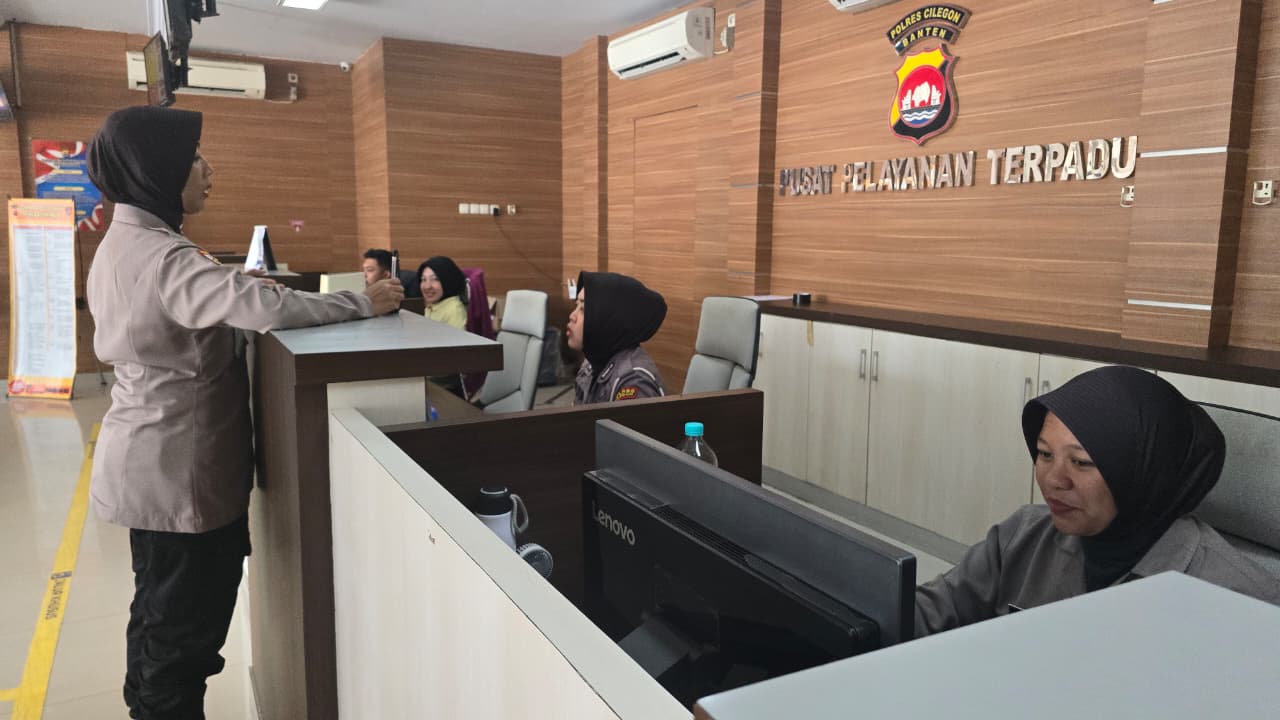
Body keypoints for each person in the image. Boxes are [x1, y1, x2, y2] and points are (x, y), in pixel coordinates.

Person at [85, 106, 403, 720]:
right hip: (179, 476)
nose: (208, 170)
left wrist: (236, 282)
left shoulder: (126, 244)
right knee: (180, 646)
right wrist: (362, 302)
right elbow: (268, 310)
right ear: (156, 169)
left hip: (149, 466)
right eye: (193, 158)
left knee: (157, 622)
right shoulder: (166, 258)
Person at [915, 365, 1280, 638]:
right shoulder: (1023, 534)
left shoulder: (1241, 601)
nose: (1054, 480)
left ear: (1145, 472)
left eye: (1081, 462)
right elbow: (931, 612)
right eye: (1045, 454)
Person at [567, 271, 667, 404]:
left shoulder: (633, 382)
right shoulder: (592, 362)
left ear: (608, 319)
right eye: (576, 306)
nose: (572, 316)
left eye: (583, 309)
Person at [418, 256, 468, 330]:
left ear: (447, 280)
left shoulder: (454, 310)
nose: (427, 286)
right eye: (423, 279)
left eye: (435, 279)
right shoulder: (434, 304)